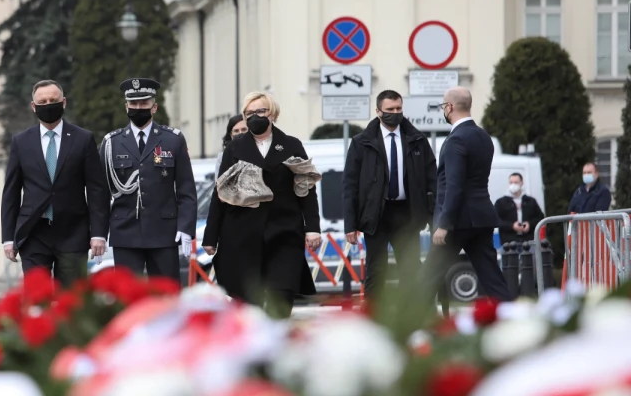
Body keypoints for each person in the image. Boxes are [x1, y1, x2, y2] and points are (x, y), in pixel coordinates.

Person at [202, 91, 320, 318]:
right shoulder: (234, 149)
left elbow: (306, 187)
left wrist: (312, 227)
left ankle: (278, 335)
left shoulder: (291, 145)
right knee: (248, 300)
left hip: (284, 231)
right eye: (249, 113)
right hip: (242, 232)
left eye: (260, 111)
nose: (255, 116)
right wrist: (211, 236)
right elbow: (221, 194)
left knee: (282, 290)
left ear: (272, 114)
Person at [1, 80, 108, 285]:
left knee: (72, 299)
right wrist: (8, 237)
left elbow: (97, 189)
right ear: (33, 106)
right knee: (35, 297)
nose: (48, 104)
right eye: (42, 101)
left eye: (53, 100)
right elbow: (11, 193)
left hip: (73, 233)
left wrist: (99, 233)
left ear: (64, 102)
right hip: (33, 233)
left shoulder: (83, 139)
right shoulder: (21, 142)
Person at [422, 87, 513, 306]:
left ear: (450, 107)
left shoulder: (455, 140)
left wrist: (444, 223)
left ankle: (407, 327)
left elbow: (455, 185)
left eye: (444, 106)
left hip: (457, 222)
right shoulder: (483, 137)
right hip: (481, 218)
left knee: (426, 279)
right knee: (492, 278)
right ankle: (513, 318)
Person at [100, 77, 197, 284]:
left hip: (164, 232)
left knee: (166, 296)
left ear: (154, 107)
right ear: (126, 107)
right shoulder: (111, 143)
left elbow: (186, 189)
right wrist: (98, 233)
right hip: (125, 232)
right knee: (127, 297)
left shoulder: (173, 139)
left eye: (143, 103)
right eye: (133, 104)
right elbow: (100, 194)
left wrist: (186, 228)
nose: (138, 108)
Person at [343, 90, 436, 298]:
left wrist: (432, 215)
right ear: (378, 111)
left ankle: (408, 315)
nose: (395, 113)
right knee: (376, 269)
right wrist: (350, 223)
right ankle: (374, 318)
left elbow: (432, 180)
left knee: (411, 268)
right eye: (390, 110)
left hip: (407, 213)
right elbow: (350, 184)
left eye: (398, 109)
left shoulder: (417, 139)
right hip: (376, 213)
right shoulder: (362, 142)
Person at [495, 172, 544, 245]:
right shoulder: (501, 202)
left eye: (516, 182)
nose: (513, 185)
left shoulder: (530, 201)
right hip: (509, 243)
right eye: (511, 182)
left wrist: (529, 224)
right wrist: (511, 225)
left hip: (528, 241)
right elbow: (496, 220)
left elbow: (540, 217)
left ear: (521, 183)